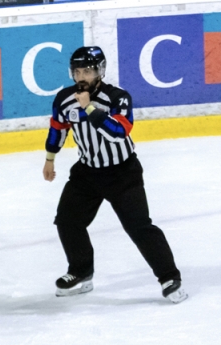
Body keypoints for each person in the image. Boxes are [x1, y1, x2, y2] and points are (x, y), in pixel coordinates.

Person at [43, 46, 187, 303]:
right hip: (86, 173)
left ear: (99, 71)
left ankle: (169, 276)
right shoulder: (64, 99)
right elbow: (58, 128)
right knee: (67, 221)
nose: (81, 77)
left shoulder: (118, 98)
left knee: (139, 226)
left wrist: (88, 109)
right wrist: (50, 159)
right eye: (77, 72)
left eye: (87, 71)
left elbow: (118, 131)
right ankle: (81, 272)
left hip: (123, 174)